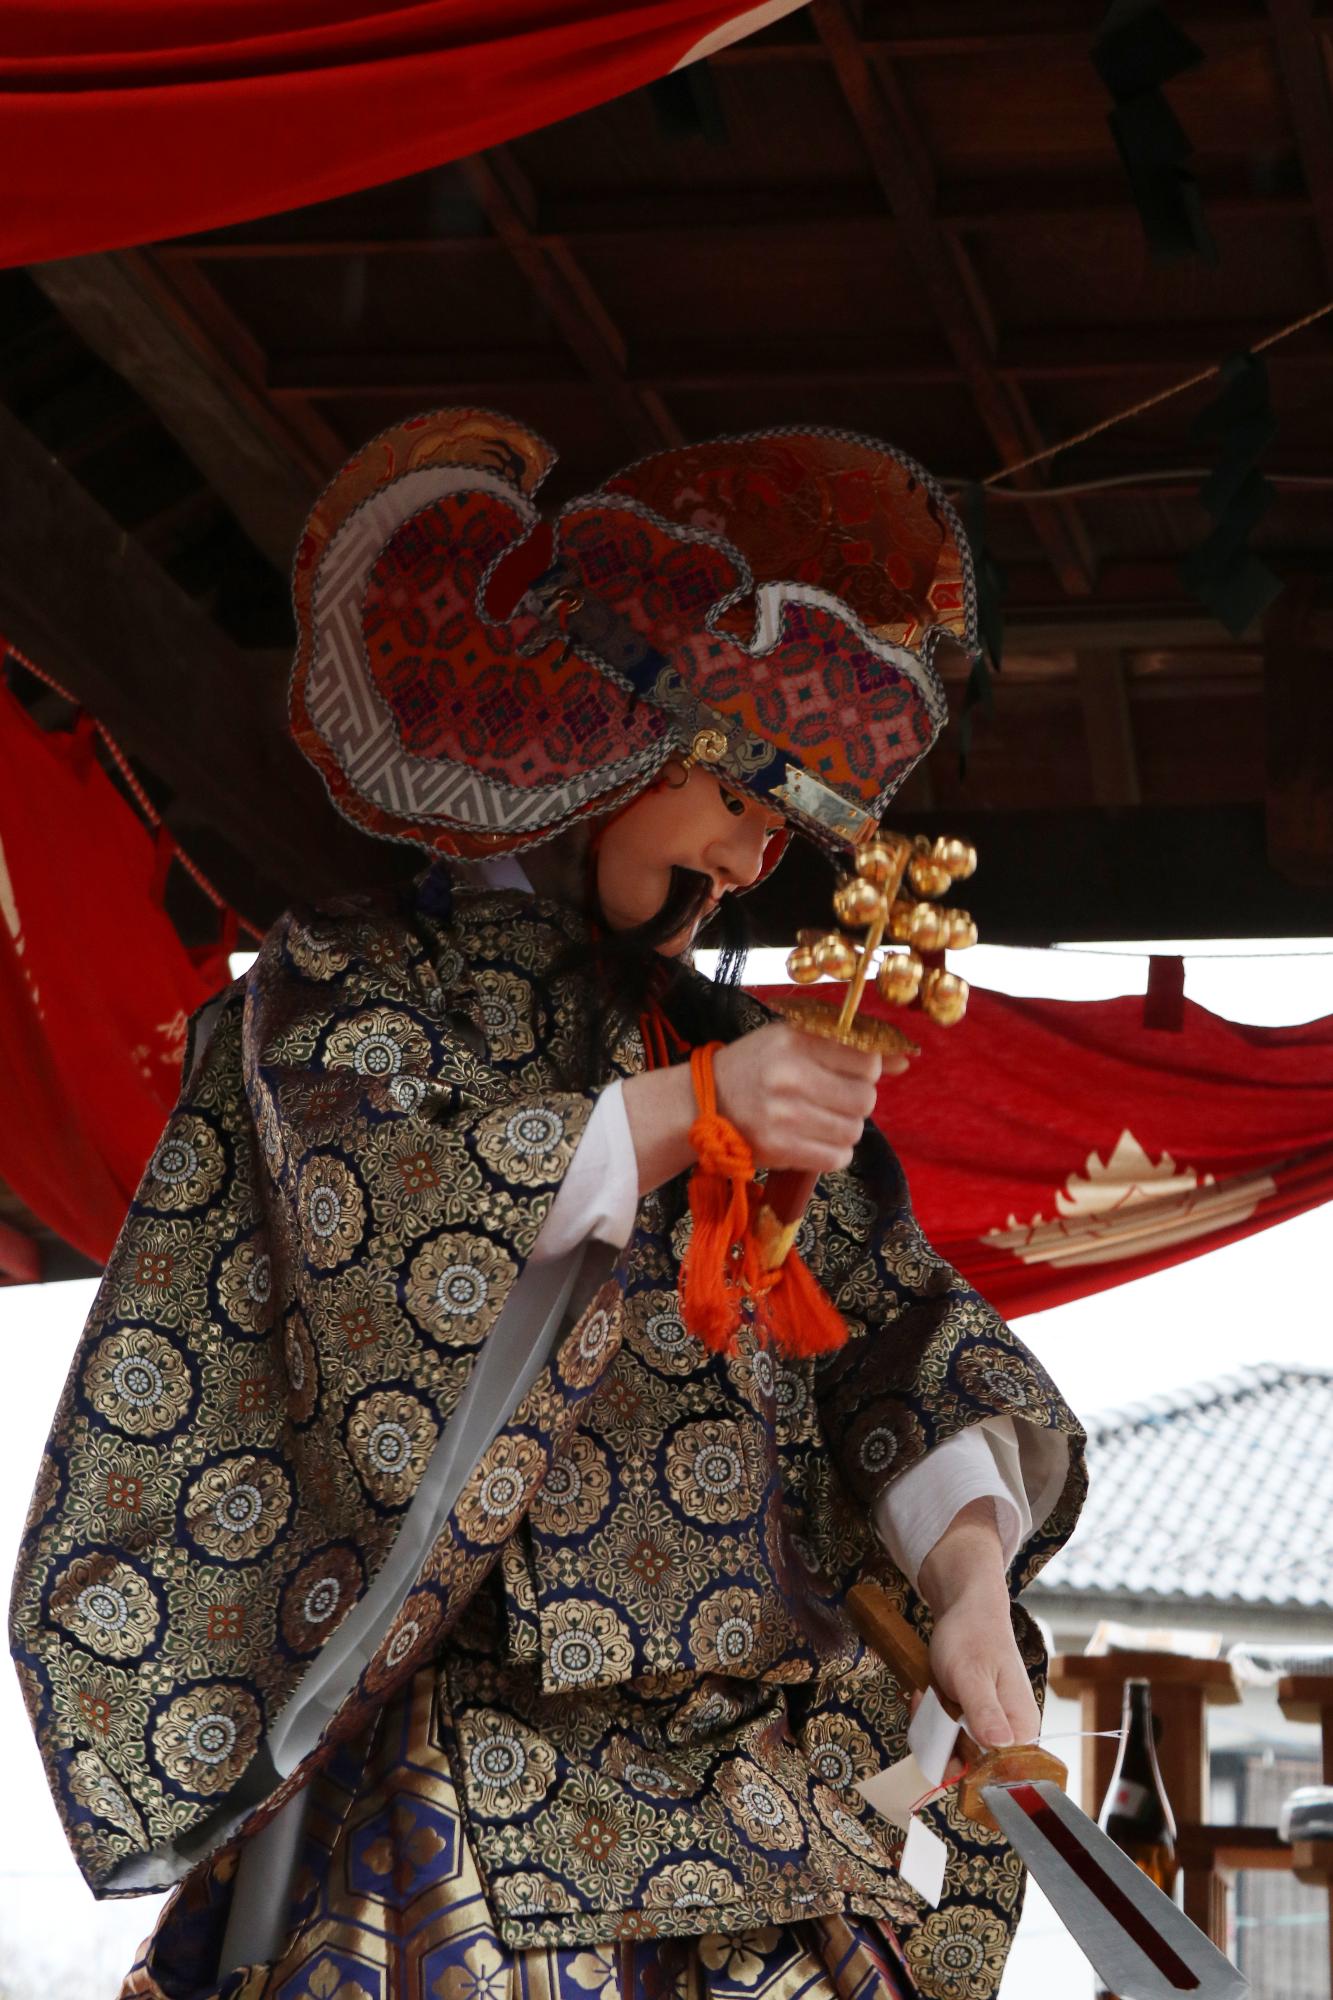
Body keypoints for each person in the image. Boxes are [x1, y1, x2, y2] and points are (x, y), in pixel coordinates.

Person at [11, 412, 1085, 2000]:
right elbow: (386, 1214)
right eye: (740, 790)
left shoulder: (722, 1045)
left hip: (757, 1794)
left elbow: (894, 1338)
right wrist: (681, 1120)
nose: (752, 852)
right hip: (470, 1782)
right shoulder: (349, 987)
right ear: (611, 746)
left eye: (781, 828)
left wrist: (969, 1572)